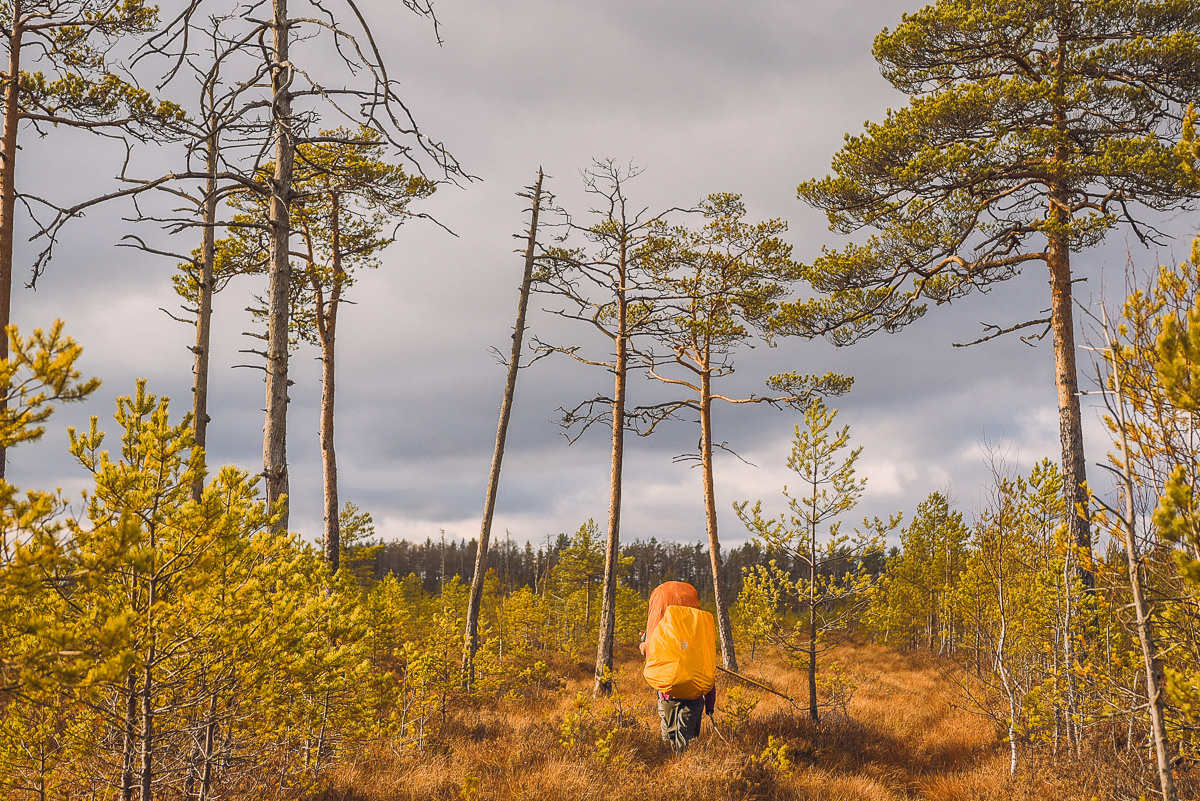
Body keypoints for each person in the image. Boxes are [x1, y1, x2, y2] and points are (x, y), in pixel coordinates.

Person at [640, 580, 716, 752]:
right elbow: (708, 671)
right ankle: (680, 770)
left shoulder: (662, 633)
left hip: (667, 696)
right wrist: (710, 705)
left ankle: (673, 769)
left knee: (668, 741)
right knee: (685, 742)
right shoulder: (699, 636)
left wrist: (645, 641)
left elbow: (649, 650)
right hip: (694, 698)